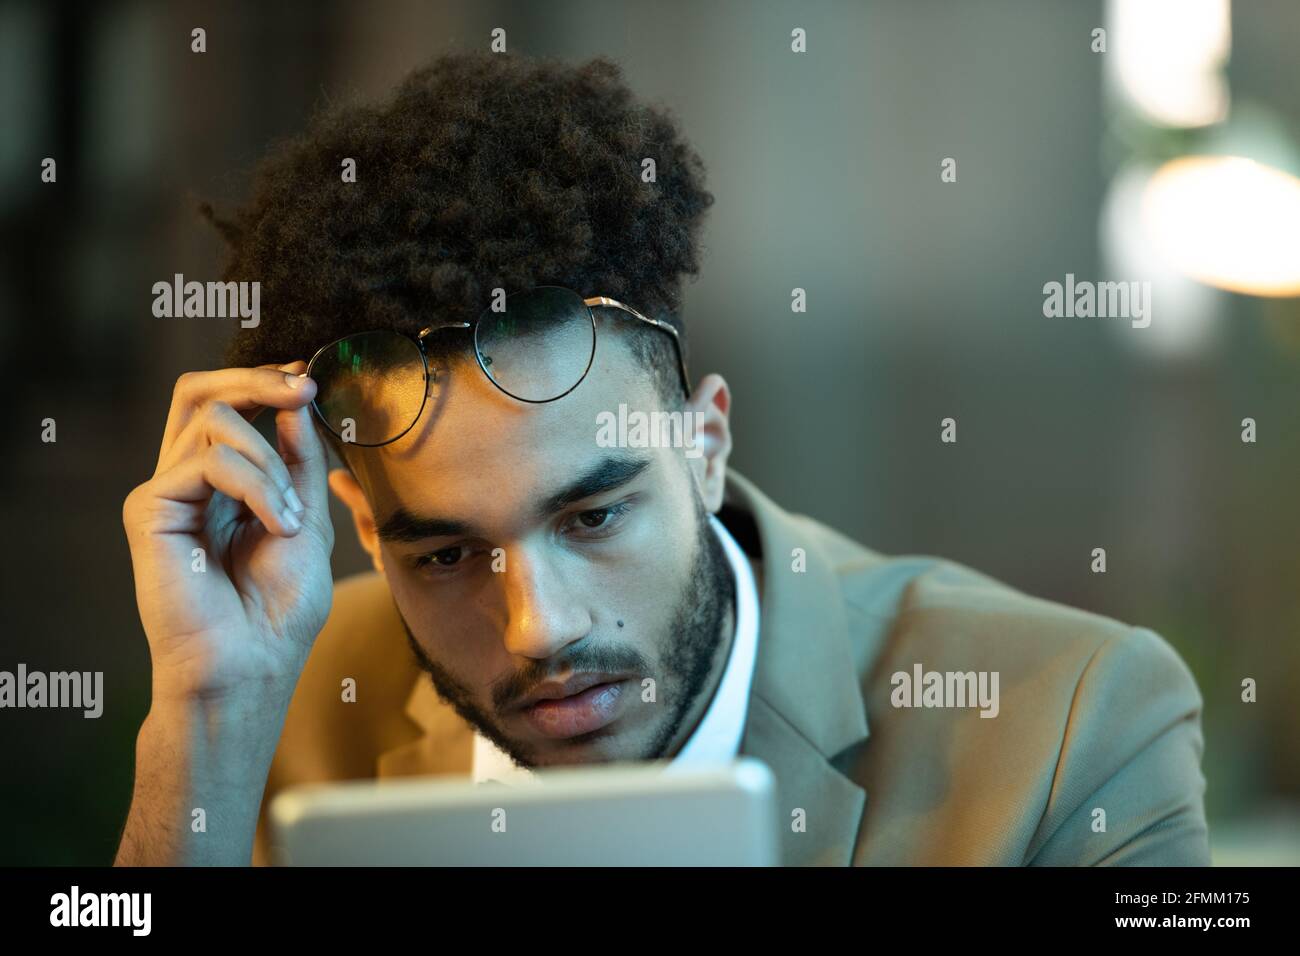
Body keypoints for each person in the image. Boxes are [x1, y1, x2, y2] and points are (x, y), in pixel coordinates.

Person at [115, 51, 1210, 867]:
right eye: (446, 554)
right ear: (361, 525)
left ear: (705, 442)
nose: (541, 627)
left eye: (592, 516)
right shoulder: (290, 692)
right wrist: (207, 718)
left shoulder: (1077, 725)